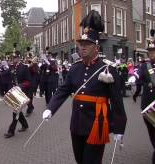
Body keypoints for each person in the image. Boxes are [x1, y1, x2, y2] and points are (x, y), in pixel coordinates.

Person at [42, 10, 127, 164]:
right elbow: (63, 90)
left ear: (96, 46)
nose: (82, 47)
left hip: (97, 125)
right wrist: (50, 108)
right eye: (81, 44)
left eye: (86, 44)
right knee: (80, 160)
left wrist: (119, 128)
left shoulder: (108, 68)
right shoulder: (75, 68)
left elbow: (117, 101)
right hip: (77, 124)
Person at [129, 29, 155, 164]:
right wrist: (133, 77)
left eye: (154, 51)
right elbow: (137, 73)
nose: (151, 53)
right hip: (149, 108)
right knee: (154, 136)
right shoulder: (145, 66)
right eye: (149, 51)